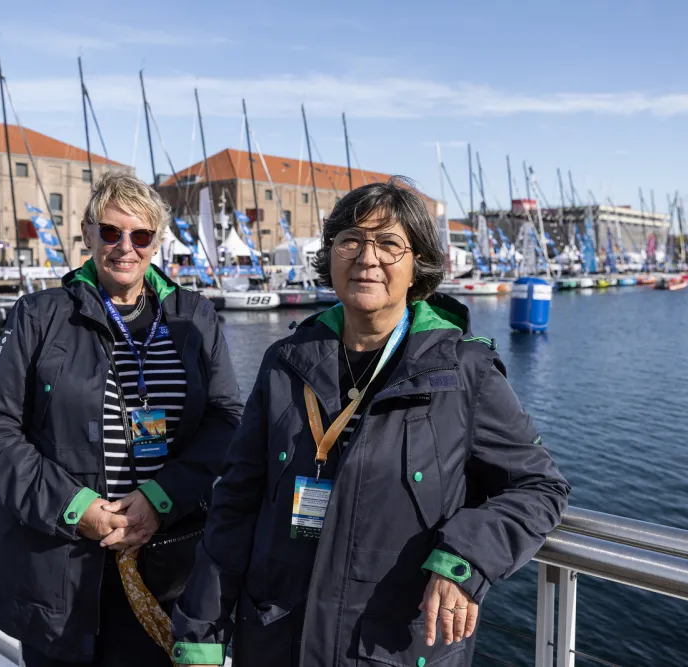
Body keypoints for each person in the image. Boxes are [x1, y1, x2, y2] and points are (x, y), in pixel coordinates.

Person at [171, 176, 570, 667]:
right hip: (276, 642)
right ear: (331, 255)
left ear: (416, 265)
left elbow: (539, 487)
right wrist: (201, 635)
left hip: (391, 649)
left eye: (389, 243)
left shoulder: (464, 372)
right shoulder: (286, 361)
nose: (367, 257)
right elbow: (234, 504)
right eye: (351, 240)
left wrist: (464, 561)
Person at [0, 172, 243, 666]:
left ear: (156, 243)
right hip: (62, 565)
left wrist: (160, 498)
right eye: (111, 232)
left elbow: (226, 420)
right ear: (87, 232)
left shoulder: (193, 315)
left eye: (139, 236)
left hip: (166, 559)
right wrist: (77, 508)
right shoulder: (40, 315)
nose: (124, 248)